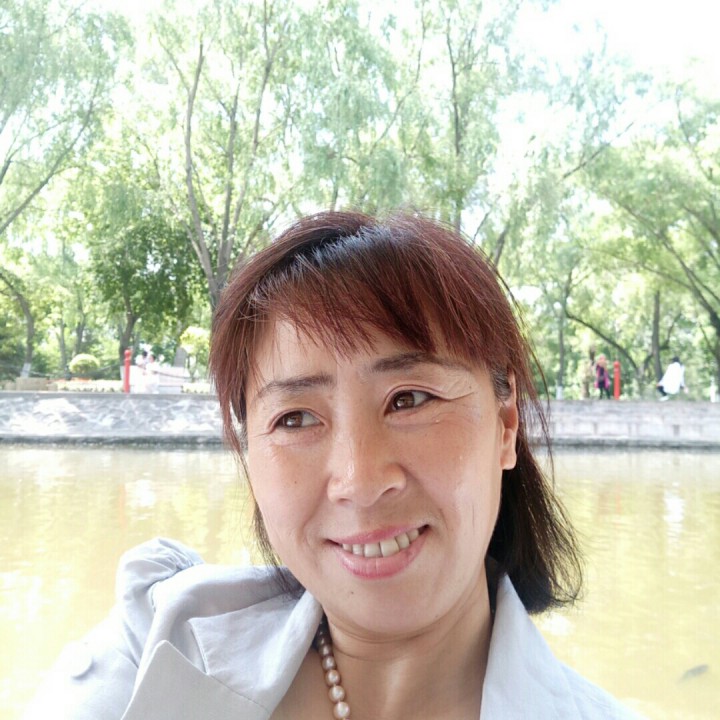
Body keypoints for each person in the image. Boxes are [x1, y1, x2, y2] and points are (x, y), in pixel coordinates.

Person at [23, 211, 640, 719]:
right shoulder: (158, 646)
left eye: (410, 399)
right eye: (295, 418)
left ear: (505, 426)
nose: (360, 481)